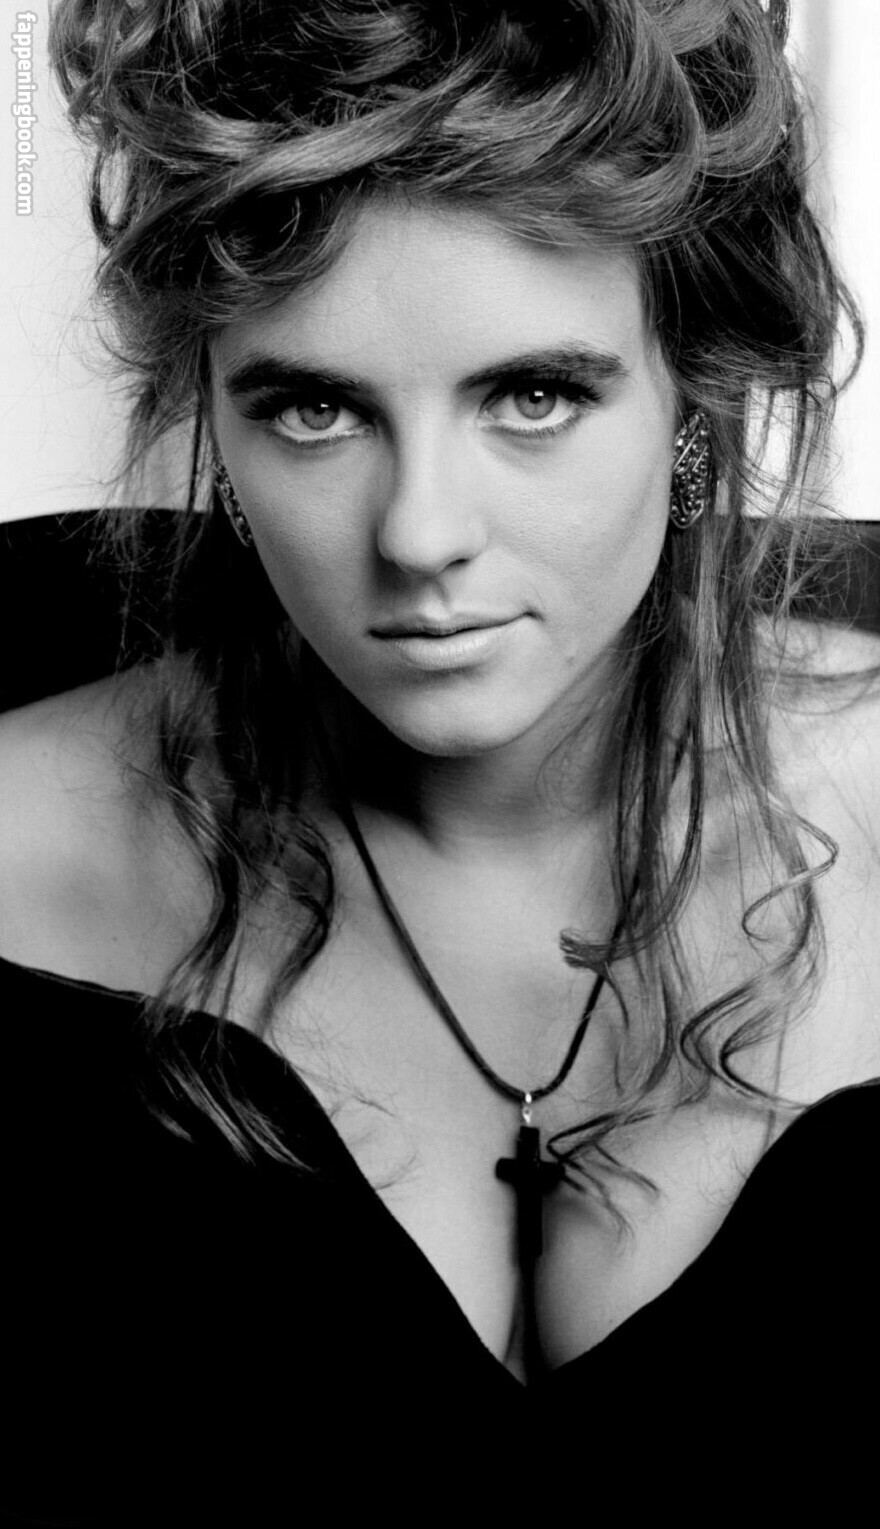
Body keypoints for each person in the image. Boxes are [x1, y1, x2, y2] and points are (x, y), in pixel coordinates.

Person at [3, 0, 878, 1520]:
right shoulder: (20, 844)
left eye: (534, 396)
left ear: (692, 400)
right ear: (215, 419)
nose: (418, 535)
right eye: (313, 407)